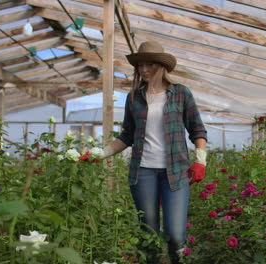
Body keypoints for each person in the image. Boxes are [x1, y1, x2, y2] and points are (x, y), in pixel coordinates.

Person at [103, 41, 208, 264]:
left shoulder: (181, 94)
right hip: (143, 173)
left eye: (149, 64)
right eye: (140, 65)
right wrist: (98, 154)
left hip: (176, 171)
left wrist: (200, 160)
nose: (143, 70)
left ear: (160, 66)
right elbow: (126, 136)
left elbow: (197, 129)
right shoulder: (133, 98)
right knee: (148, 235)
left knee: (176, 235)